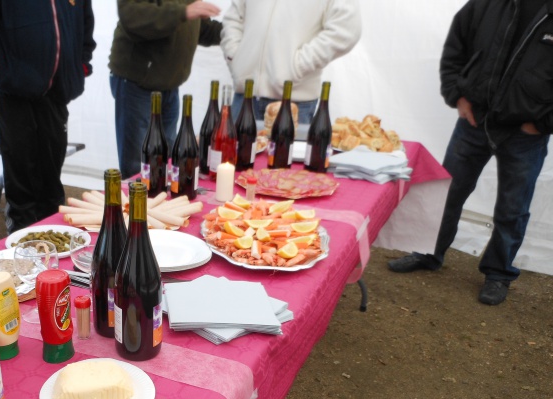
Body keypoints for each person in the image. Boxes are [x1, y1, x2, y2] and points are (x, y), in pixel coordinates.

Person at [387, 0, 551, 306]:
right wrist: (458, 96)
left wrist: (541, 124)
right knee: (448, 192)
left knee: (513, 208)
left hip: (525, 135)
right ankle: (429, 253)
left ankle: (498, 273)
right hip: (474, 121)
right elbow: (456, 46)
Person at [0, 0, 95, 234]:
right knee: (22, 185)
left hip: (56, 94)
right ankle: (22, 242)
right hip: (15, 94)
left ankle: (55, 240)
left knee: (51, 181)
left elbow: (85, 22)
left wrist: (80, 64)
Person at [109, 0, 223, 179]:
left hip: (168, 85)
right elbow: (132, 15)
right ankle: (138, 198)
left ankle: (159, 197)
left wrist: (231, 32)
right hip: (137, 85)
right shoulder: (181, 10)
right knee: (139, 167)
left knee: (167, 164)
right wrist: (183, 12)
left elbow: (198, 26)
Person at [220, 0, 361, 124]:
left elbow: (346, 29)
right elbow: (234, 18)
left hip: (293, 103)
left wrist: (298, 67)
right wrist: (235, 57)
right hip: (243, 98)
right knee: (230, 148)